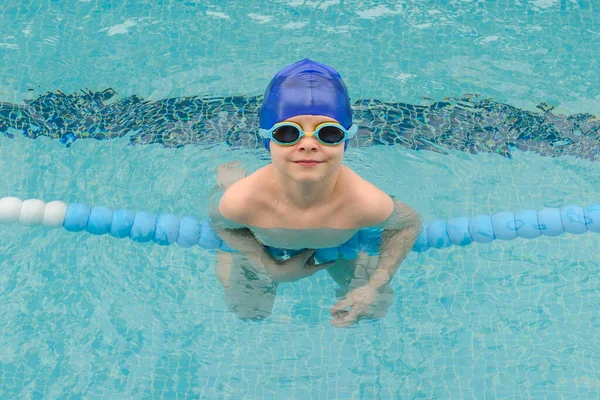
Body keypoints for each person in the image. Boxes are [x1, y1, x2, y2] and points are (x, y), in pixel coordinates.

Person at [210, 59, 422, 327]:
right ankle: (227, 190)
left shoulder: (363, 202)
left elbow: (408, 223)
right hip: (265, 244)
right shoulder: (243, 201)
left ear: (345, 140)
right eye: (287, 133)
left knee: (373, 309)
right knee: (247, 310)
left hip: (342, 244)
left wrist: (375, 285)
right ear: (267, 140)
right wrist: (266, 264)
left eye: (328, 133)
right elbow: (221, 223)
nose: (308, 145)